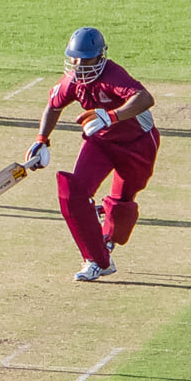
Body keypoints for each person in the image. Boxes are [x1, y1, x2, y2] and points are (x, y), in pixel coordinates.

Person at [31, 27, 159, 282]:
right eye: (75, 59)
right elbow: (53, 107)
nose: (79, 66)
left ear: (100, 57)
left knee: (122, 210)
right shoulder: (72, 81)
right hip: (100, 143)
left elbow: (145, 98)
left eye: (86, 59)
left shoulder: (112, 75)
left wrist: (112, 116)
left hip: (138, 145)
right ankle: (96, 259)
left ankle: (108, 234)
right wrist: (42, 140)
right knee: (74, 193)